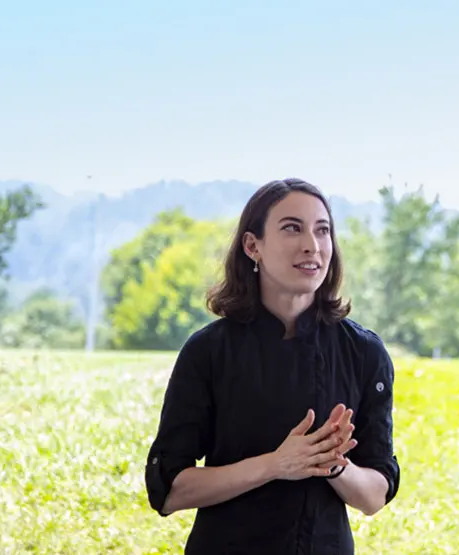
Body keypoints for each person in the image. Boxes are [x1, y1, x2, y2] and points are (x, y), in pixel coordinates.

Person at [144, 178, 400, 554]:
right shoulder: (209, 351)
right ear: (253, 246)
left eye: (322, 230)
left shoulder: (364, 352)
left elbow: (374, 497)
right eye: (292, 228)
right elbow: (168, 491)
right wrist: (276, 464)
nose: (312, 245)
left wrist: (333, 464)